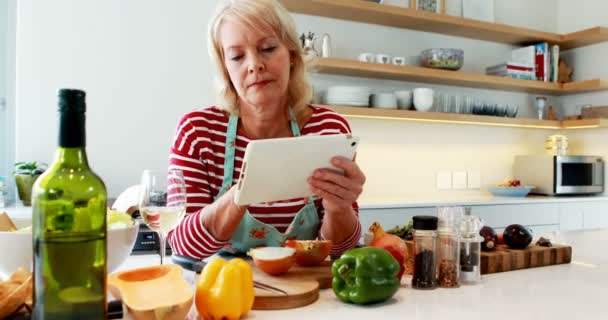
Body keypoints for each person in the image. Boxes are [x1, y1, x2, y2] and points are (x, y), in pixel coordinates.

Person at [166, 0, 365, 260]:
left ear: (292, 55)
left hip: (306, 288)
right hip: (227, 288)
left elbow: (342, 250)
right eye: (237, 56)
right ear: (225, 69)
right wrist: (243, 193)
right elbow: (182, 245)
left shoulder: (328, 130)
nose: (254, 65)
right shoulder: (197, 133)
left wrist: (339, 208)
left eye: (268, 48)